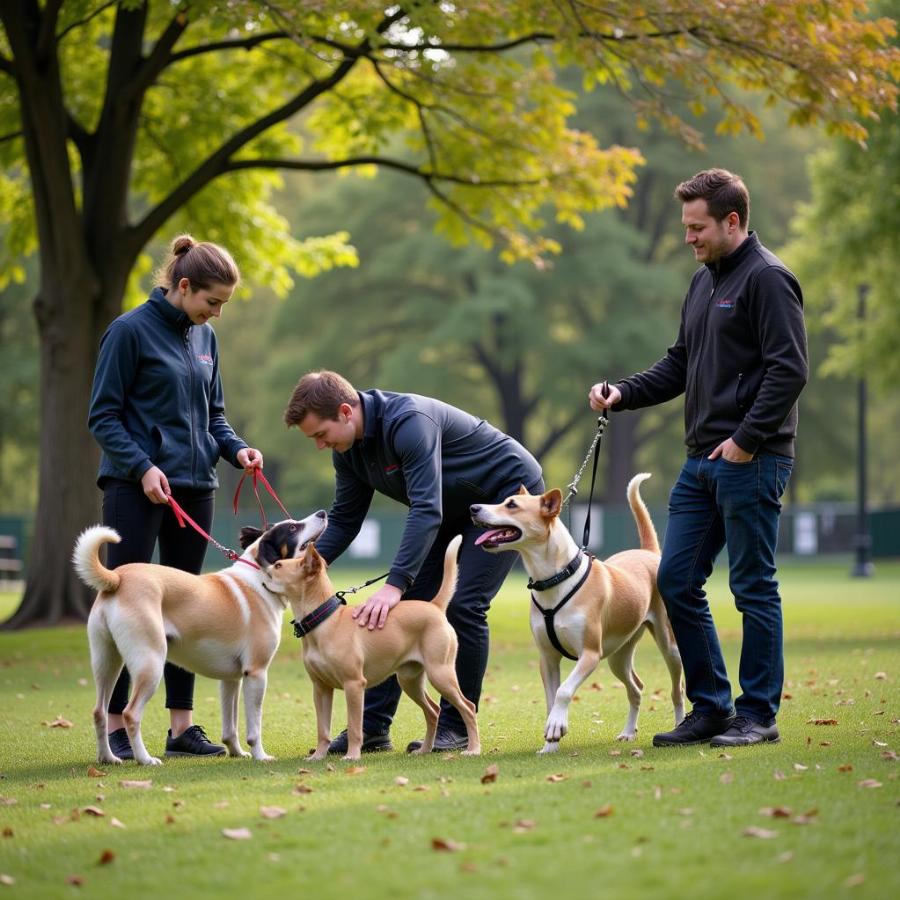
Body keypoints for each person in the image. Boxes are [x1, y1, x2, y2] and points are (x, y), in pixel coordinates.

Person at [589, 168, 808, 748]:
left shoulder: (769, 279)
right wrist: (623, 393)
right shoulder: (703, 282)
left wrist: (747, 438)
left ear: (732, 221)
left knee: (753, 586)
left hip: (751, 458)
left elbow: (790, 369)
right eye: (687, 227)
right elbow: (680, 364)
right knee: (676, 579)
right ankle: (711, 708)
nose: (689, 238)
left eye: (697, 227)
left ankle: (758, 714)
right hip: (700, 462)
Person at [283, 370, 543, 753]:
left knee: (465, 604)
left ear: (344, 412)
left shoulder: (408, 423)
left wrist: (394, 584)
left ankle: (454, 728)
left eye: (320, 435)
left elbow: (425, 508)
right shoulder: (348, 451)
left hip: (502, 497)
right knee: (396, 615)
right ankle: (371, 729)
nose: (320, 445)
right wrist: (304, 564)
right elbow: (344, 519)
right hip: (448, 509)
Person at [88, 234, 264, 760]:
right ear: (183, 286)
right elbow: (103, 416)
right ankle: (119, 725)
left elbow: (214, 418)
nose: (216, 314)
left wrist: (237, 451)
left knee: (189, 611)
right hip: (133, 488)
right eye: (212, 302)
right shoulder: (128, 332)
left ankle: (182, 728)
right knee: (129, 606)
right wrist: (141, 468)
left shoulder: (206, 340)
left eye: (222, 306)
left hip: (195, 488)